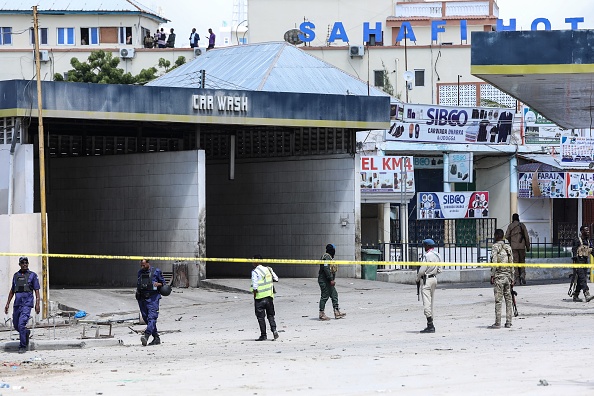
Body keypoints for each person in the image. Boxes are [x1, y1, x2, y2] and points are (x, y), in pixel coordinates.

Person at [4, 257, 40, 354]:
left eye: (26, 263)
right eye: (22, 263)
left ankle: (23, 346)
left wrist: (37, 303)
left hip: (27, 304)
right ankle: (26, 333)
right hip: (17, 304)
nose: (25, 264)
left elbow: (36, 290)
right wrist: (7, 304)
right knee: (16, 325)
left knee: (21, 324)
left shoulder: (32, 275)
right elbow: (12, 290)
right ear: (19, 264)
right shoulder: (16, 276)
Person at [489, 229, 515, 329]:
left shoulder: (495, 247)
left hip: (499, 277)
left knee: (498, 300)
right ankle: (508, 321)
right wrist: (512, 277)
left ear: (496, 236)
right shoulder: (508, 247)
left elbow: (494, 262)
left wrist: (492, 275)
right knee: (508, 300)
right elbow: (512, 263)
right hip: (508, 277)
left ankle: (497, 322)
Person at [136, 259, 165, 346]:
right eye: (141, 265)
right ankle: (156, 337)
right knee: (145, 318)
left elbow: (163, 283)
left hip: (153, 298)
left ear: (148, 263)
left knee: (152, 318)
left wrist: (158, 284)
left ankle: (146, 335)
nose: (142, 267)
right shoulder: (140, 272)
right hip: (142, 298)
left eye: (144, 265)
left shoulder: (156, 271)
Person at [416, 239, 442, 333]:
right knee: (432, 302)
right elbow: (440, 270)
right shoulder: (437, 255)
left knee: (426, 302)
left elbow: (422, 270)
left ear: (427, 246)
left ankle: (430, 325)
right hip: (434, 279)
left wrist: (418, 278)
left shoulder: (426, 256)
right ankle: (431, 323)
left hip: (426, 280)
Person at [250, 255, 279, 341]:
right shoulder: (269, 269)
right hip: (269, 297)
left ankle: (263, 335)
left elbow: (255, 286)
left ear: (256, 261)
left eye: (253, 260)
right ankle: (274, 330)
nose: (252, 262)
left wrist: (255, 297)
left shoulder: (255, 272)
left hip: (259, 298)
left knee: (260, 317)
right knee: (270, 315)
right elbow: (276, 279)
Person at [318, 244, 346, 320]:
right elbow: (326, 269)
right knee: (325, 296)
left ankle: (337, 312)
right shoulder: (326, 257)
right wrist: (330, 279)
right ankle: (321, 313)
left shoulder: (329, 257)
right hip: (324, 280)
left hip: (327, 280)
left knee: (334, 295)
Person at [505, 213, 531, 285]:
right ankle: (522, 275)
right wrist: (528, 246)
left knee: (515, 262)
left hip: (514, 247)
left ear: (513, 218)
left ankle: (517, 278)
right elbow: (526, 236)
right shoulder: (522, 225)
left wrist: (511, 241)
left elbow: (506, 236)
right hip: (522, 247)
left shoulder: (510, 226)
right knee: (522, 261)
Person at [571, 226, 594, 302]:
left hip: (585, 261)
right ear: (581, 231)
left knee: (581, 279)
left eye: (588, 230)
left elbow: (592, 250)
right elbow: (574, 249)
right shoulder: (577, 240)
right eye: (586, 230)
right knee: (583, 278)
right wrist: (574, 257)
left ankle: (576, 295)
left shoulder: (588, 241)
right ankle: (587, 294)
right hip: (578, 261)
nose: (588, 231)